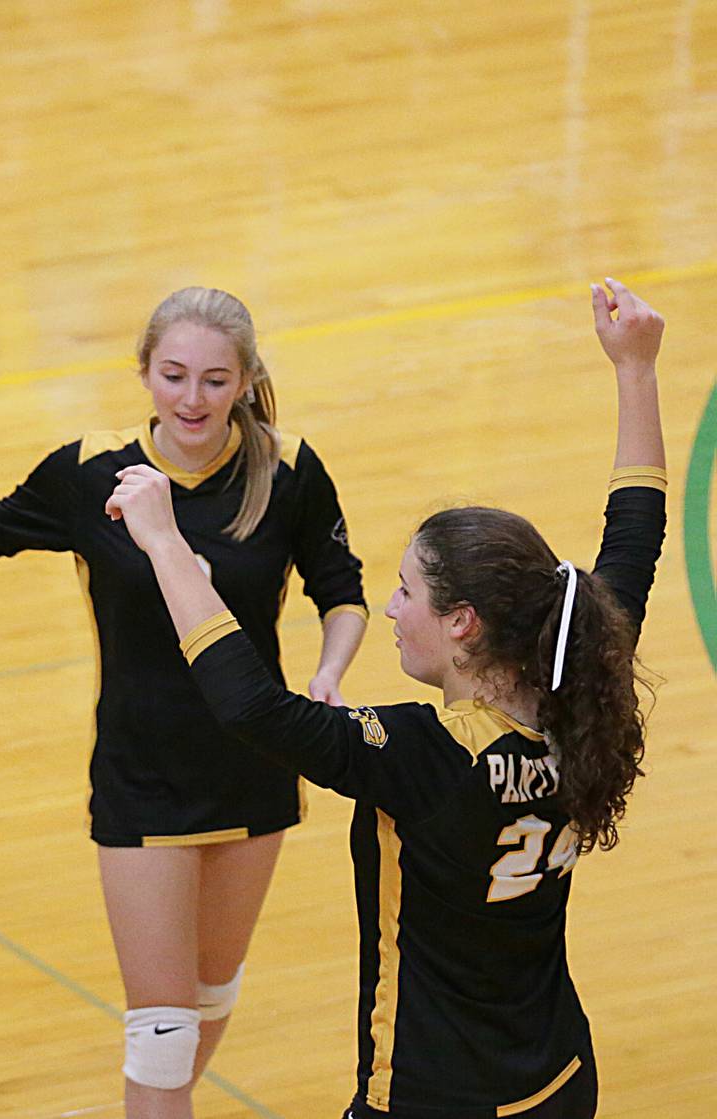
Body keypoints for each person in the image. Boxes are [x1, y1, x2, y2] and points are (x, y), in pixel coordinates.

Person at [0, 286, 369, 1117]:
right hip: (141, 781)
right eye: (173, 375)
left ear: (245, 379)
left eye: (215, 379)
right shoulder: (93, 471)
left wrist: (331, 670)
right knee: (162, 1032)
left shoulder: (287, 469)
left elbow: (341, 588)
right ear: (144, 371)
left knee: (209, 1000)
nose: (192, 398)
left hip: (255, 770)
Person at [105, 279, 666, 1119]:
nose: (391, 609)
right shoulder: (575, 674)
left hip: (431, 1098)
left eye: (406, 592)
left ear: (465, 623)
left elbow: (254, 708)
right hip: (556, 1079)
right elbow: (636, 534)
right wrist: (637, 370)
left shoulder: (427, 755)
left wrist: (163, 540)